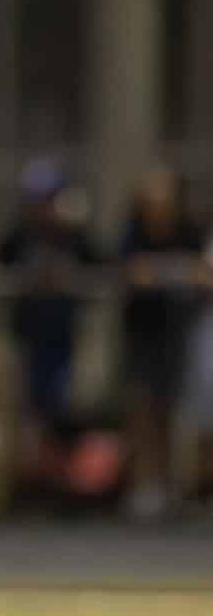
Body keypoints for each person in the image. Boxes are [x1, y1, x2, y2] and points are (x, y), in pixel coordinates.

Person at [0, 158, 101, 508]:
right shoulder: (20, 236)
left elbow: (100, 265)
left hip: (63, 338)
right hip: (27, 337)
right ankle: (25, 487)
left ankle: (61, 490)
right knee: (26, 413)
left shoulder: (73, 235)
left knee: (60, 414)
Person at [119, 166, 207, 520]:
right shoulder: (134, 231)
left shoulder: (189, 231)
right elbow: (133, 272)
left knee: (172, 411)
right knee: (142, 408)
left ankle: (171, 487)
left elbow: (201, 274)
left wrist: (164, 275)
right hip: (142, 330)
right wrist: (169, 274)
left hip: (177, 330)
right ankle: (143, 487)